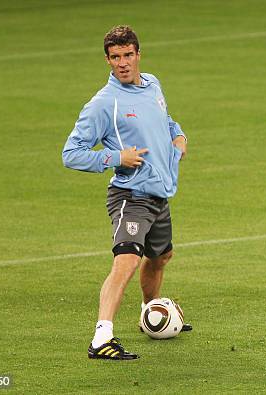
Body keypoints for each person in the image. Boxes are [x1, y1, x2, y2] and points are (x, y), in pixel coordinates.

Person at [62, 25, 191, 360]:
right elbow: (71, 153)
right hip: (129, 197)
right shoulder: (104, 104)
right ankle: (101, 338)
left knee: (160, 257)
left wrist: (178, 136)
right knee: (127, 261)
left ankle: (151, 313)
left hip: (159, 194)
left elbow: (165, 119)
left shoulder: (152, 84)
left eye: (128, 55)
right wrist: (116, 157)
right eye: (115, 57)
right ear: (107, 60)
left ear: (138, 54)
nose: (122, 62)